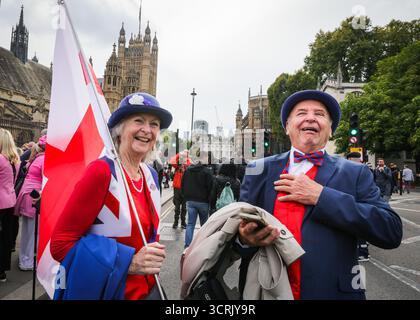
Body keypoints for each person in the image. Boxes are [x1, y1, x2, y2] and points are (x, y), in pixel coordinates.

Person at [239, 90, 402, 300]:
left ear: (331, 130)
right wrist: (245, 238)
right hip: (266, 291)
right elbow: (237, 232)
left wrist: (321, 196)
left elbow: (390, 231)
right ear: (287, 127)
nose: (310, 117)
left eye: (319, 113)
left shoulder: (355, 173)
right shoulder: (257, 169)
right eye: (301, 113)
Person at [51, 92, 172, 300]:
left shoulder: (150, 175)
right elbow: (61, 244)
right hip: (110, 293)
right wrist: (129, 263)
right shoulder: (102, 171)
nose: (146, 130)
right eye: (138, 121)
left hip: (148, 292)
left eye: (154, 124)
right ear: (119, 130)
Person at [14, 135, 46, 271]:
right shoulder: (44, 159)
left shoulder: (37, 158)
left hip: (27, 194)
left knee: (27, 230)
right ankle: (27, 261)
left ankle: (24, 258)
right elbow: (47, 180)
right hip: (34, 197)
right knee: (34, 231)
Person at [180, 153, 213, 248]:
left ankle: (187, 245)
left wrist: (185, 197)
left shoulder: (188, 170)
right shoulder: (207, 172)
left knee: (190, 224)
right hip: (204, 202)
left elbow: (183, 184)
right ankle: (202, 245)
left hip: (190, 201)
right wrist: (210, 200)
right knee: (204, 225)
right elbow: (211, 187)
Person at [0, 128, 20, 282]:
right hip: (10, 201)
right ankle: (2, 271)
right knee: (6, 237)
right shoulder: (15, 160)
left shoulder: (0, 159)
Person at [346, 152, 370, 262]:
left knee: (359, 229)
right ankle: (362, 252)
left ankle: (363, 253)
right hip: (359, 203)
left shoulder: (354, 169)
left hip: (356, 203)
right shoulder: (364, 168)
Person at [171, 151, 191, 229]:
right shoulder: (177, 166)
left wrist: (186, 156)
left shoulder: (187, 166)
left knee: (184, 207)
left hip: (185, 188)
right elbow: (172, 161)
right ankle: (175, 222)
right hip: (177, 188)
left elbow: (189, 163)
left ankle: (183, 222)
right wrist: (179, 154)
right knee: (177, 207)